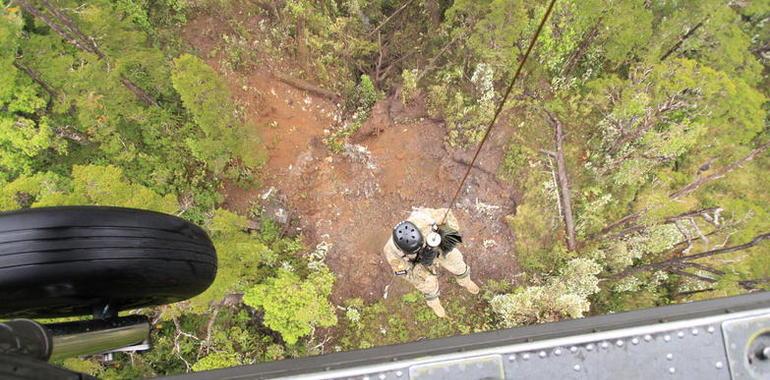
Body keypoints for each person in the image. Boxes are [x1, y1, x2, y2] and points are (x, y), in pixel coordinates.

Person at [383, 207, 480, 318]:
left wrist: (446, 238)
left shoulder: (424, 218)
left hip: (436, 247)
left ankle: (465, 281)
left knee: (456, 260)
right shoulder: (392, 254)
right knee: (427, 284)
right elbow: (408, 275)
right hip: (418, 264)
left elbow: (447, 214)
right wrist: (423, 265)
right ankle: (434, 303)